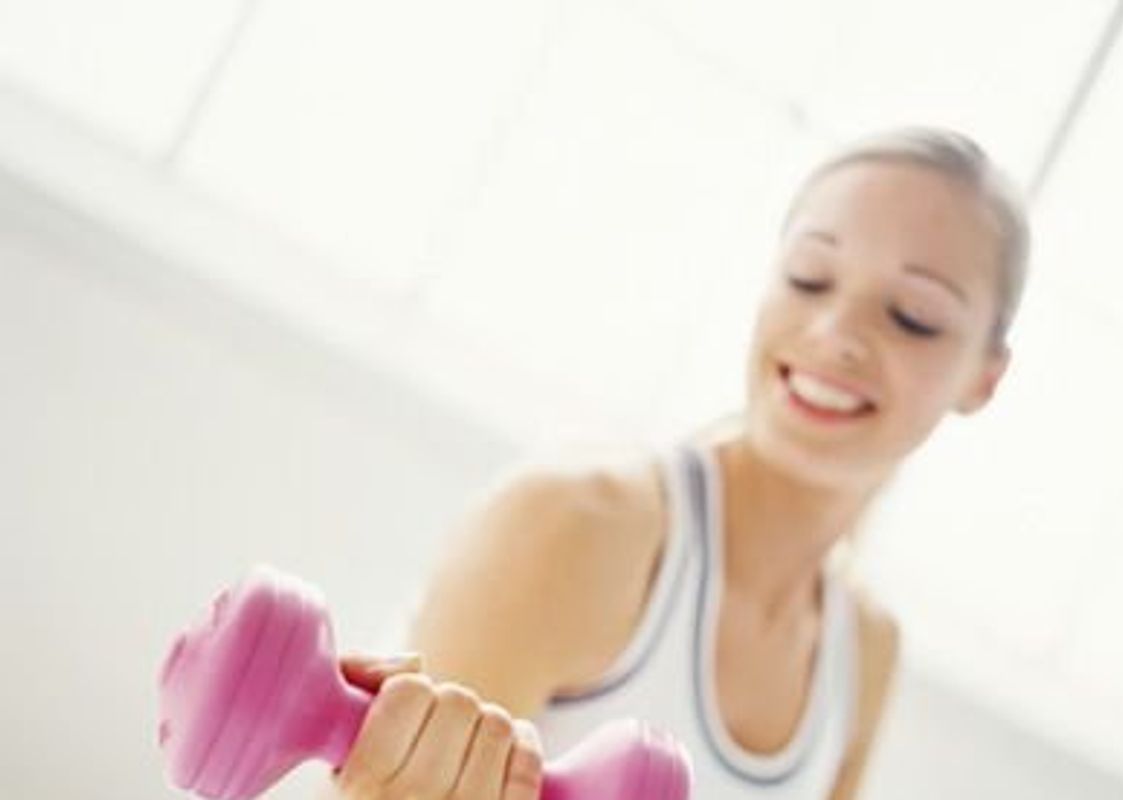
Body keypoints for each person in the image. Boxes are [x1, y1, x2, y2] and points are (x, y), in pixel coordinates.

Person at [321, 127, 1030, 800]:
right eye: (810, 278)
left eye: (912, 316)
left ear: (984, 379)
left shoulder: (864, 656)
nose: (835, 333)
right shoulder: (576, 524)